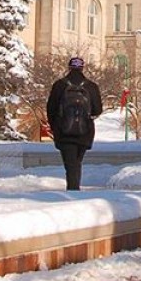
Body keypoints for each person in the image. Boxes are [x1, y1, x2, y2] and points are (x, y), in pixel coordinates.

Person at [46, 56, 103, 191]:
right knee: (77, 162)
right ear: (82, 68)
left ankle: (73, 190)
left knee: (70, 164)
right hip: (84, 132)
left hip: (64, 132)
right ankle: (74, 188)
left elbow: (51, 109)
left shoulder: (59, 85)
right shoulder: (91, 86)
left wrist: (55, 127)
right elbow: (98, 109)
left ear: (69, 67)